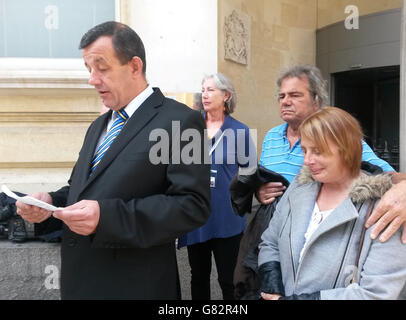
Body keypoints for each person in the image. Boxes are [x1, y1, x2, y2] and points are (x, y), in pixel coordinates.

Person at [15, 21, 211, 300]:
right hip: (80, 284)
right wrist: (48, 204)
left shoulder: (179, 121)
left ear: (134, 66)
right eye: (88, 69)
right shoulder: (97, 126)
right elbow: (81, 192)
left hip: (135, 286)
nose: (92, 79)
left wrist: (106, 218)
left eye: (102, 68)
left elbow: (192, 206)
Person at [258, 106, 406, 300]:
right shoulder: (299, 187)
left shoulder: (387, 207)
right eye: (304, 150)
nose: (307, 160)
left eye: (318, 151)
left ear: (348, 149)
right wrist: (273, 287)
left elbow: (376, 293)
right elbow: (270, 241)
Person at [256, 65, 406, 243]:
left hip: (316, 239)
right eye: (282, 96)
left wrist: (403, 191)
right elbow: (263, 179)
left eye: (295, 95)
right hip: (270, 234)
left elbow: (390, 177)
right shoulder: (271, 136)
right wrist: (260, 192)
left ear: (316, 101)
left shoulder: (337, 137)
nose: (285, 101)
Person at [178, 73, 256, 300]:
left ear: (226, 96)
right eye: (203, 89)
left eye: (211, 89)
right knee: (198, 276)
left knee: (228, 280)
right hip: (196, 216)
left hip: (226, 218)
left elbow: (250, 174)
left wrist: (239, 206)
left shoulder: (239, 131)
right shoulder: (188, 128)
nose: (205, 94)